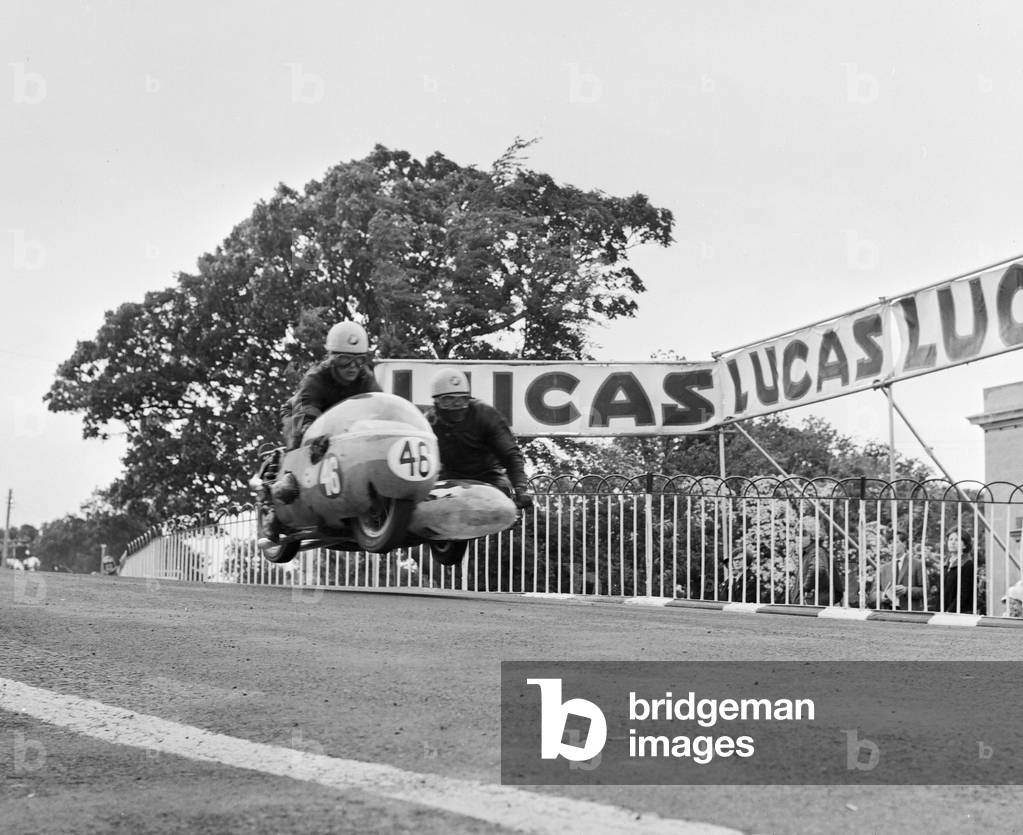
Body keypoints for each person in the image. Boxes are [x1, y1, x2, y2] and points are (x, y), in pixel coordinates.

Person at [258, 321, 380, 552]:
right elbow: (306, 416)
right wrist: (311, 435)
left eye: (359, 360)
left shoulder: (366, 379)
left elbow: (378, 410)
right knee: (302, 446)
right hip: (303, 414)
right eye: (345, 360)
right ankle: (274, 506)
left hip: (343, 427)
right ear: (332, 357)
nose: (352, 366)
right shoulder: (315, 379)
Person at [425, 368, 533, 510]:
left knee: (504, 503)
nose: (456, 405)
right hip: (448, 478)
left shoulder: (485, 415)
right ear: (437, 402)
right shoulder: (429, 423)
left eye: (462, 399)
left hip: (488, 477)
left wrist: (520, 488)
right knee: (423, 504)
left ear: (468, 399)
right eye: (448, 400)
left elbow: (509, 453)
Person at [942, 529, 976, 614]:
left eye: (957, 540)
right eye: (950, 539)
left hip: (960, 613)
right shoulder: (946, 564)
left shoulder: (968, 564)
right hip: (943, 612)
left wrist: (950, 611)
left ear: (964, 545)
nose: (953, 542)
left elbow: (964, 593)